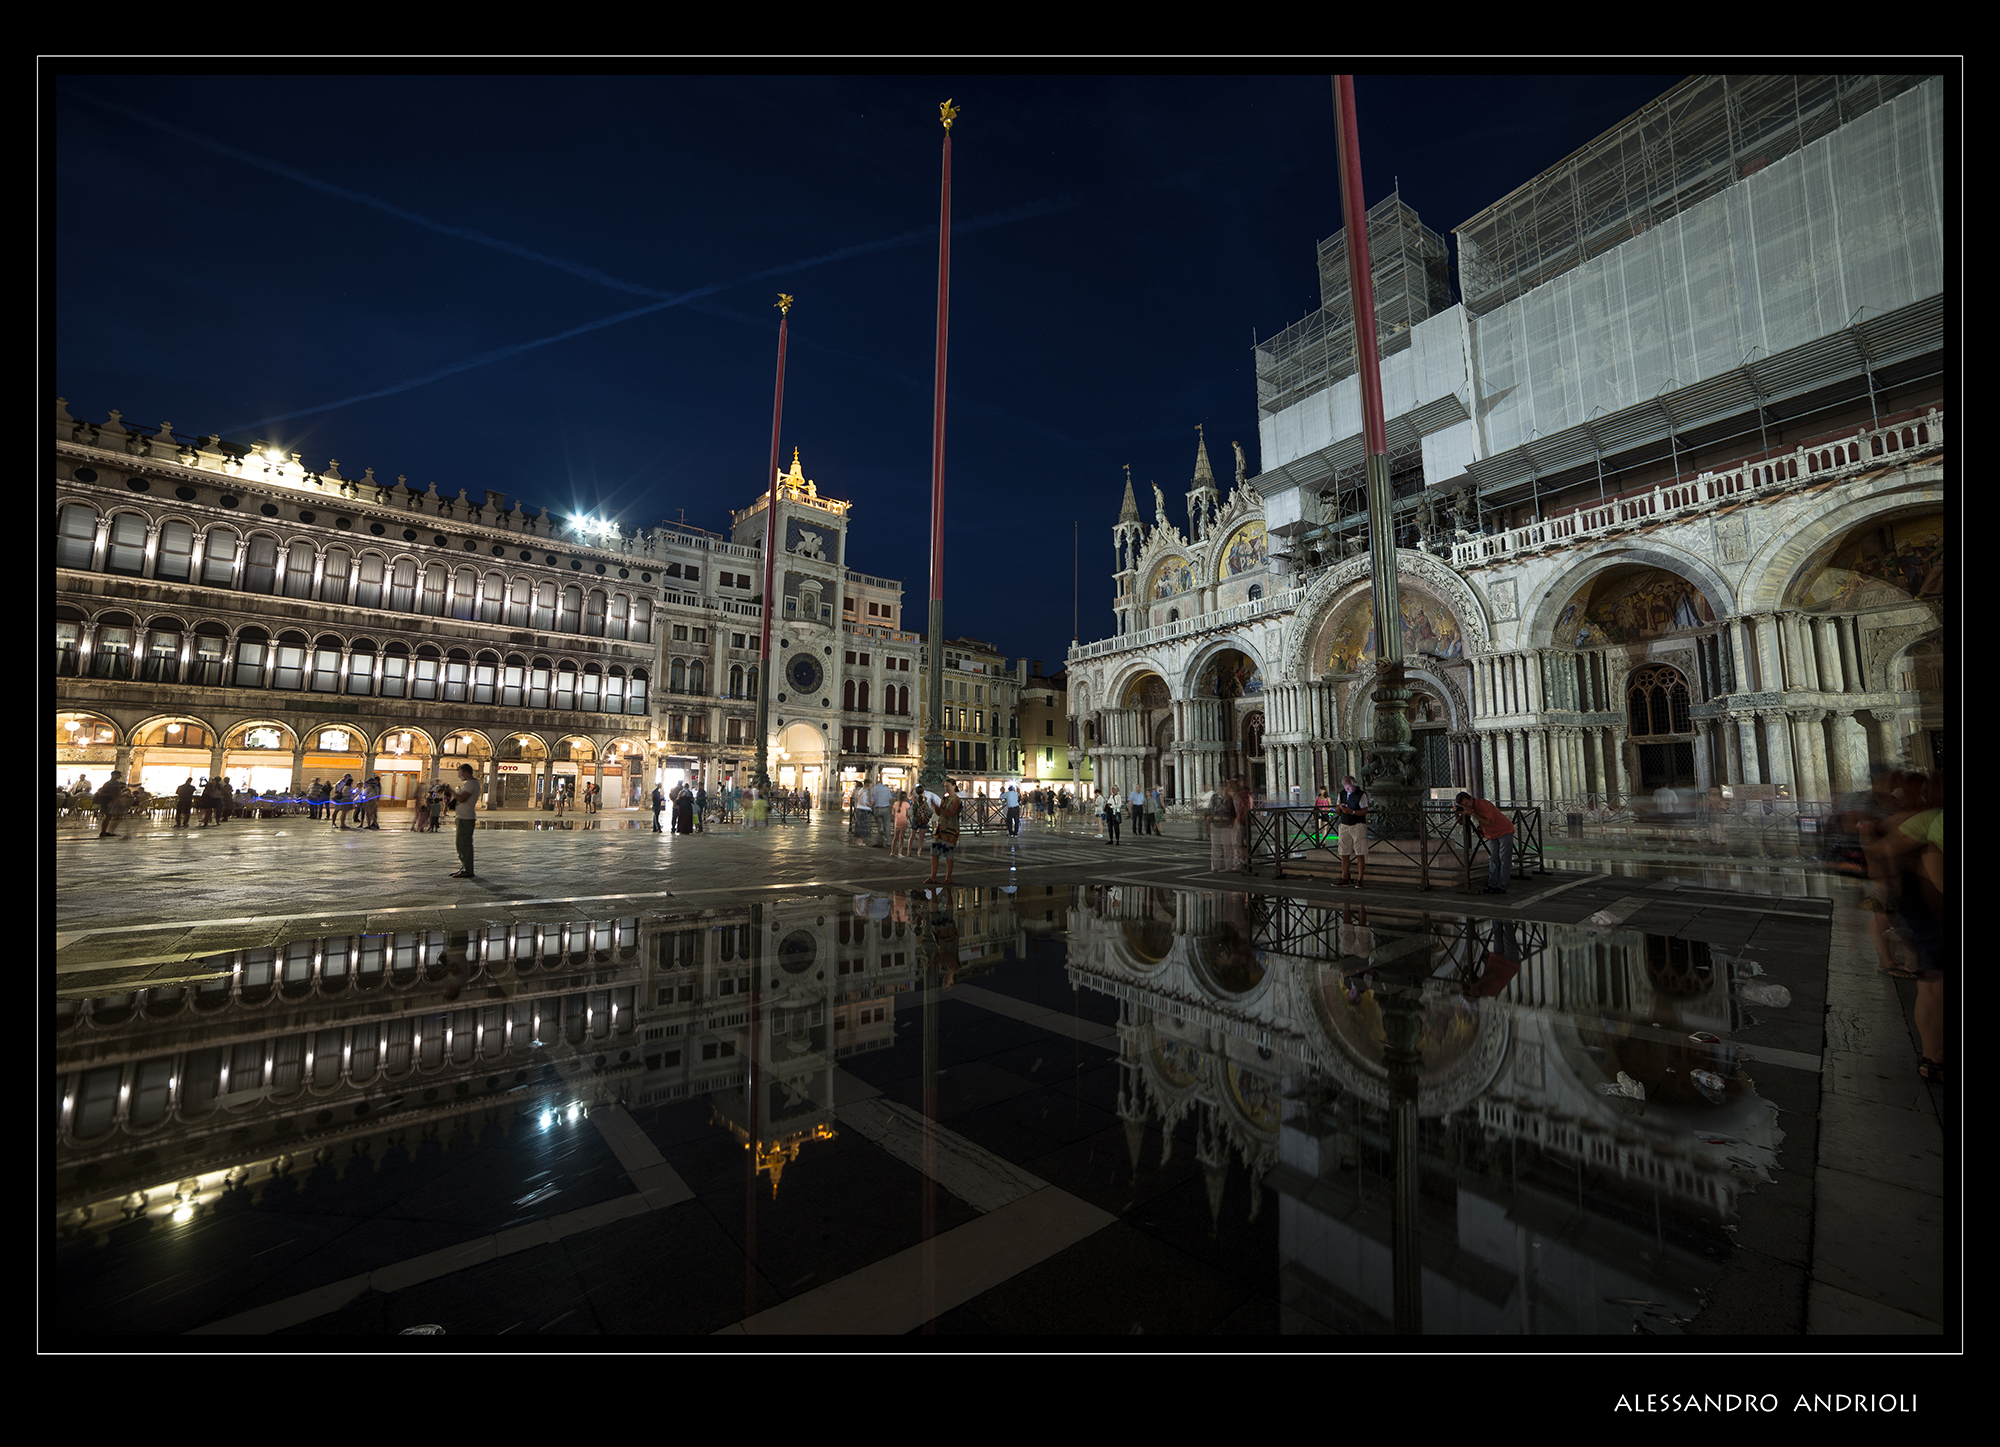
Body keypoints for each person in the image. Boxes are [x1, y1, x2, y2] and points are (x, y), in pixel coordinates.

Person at [1455, 791, 1516, 894]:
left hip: (1504, 830)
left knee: (1504, 858)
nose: (1467, 806)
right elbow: (1461, 823)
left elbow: (1489, 822)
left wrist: (1472, 813)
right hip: (1492, 834)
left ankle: (1502, 885)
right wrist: (1458, 813)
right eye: (1463, 805)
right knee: (1493, 858)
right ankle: (1492, 884)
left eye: (1467, 803)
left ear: (1471, 799)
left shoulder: (1484, 804)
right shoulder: (1471, 808)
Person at [923, 779, 963, 886]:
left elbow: (951, 813)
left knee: (948, 853)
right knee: (934, 852)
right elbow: (939, 813)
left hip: (951, 828)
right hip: (941, 828)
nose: (946, 788)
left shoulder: (956, 800)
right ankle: (933, 876)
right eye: (945, 786)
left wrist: (939, 808)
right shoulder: (944, 799)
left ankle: (948, 877)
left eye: (948, 786)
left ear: (954, 786)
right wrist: (935, 807)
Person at [1335, 774, 1371, 887]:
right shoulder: (1342, 794)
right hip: (1344, 825)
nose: (1347, 789)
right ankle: (1344, 877)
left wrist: (1352, 811)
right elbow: (1336, 810)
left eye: (1348, 787)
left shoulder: (1361, 795)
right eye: (1345, 787)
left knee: (1360, 852)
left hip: (1357, 825)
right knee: (1344, 852)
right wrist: (1340, 807)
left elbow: (1364, 811)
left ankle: (1360, 879)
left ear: (1354, 785)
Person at [449, 763, 482, 879]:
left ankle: (467, 870)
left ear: (466, 772)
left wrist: (452, 792)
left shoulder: (471, 784)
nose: (459, 776)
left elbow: (462, 799)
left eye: (460, 773)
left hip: (466, 818)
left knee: (463, 844)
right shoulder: (471, 783)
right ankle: (465, 868)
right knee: (462, 844)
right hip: (463, 817)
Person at [93, 772, 129, 838]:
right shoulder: (110, 784)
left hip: (108, 802)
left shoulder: (113, 783)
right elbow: (114, 794)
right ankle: (104, 831)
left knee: (110, 817)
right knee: (108, 817)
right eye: (119, 775)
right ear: (114, 775)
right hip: (108, 802)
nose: (120, 776)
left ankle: (106, 831)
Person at [870, 773, 894, 847]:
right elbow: (890, 799)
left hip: (877, 808)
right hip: (886, 808)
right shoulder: (886, 789)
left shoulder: (873, 789)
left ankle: (880, 839)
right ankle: (888, 842)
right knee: (887, 825)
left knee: (879, 824)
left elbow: (872, 801)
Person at [892, 790, 913, 857]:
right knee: (901, 838)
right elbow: (908, 814)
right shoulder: (906, 804)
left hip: (897, 821)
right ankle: (899, 853)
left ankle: (892, 852)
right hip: (903, 821)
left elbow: (892, 813)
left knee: (895, 837)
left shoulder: (895, 803)